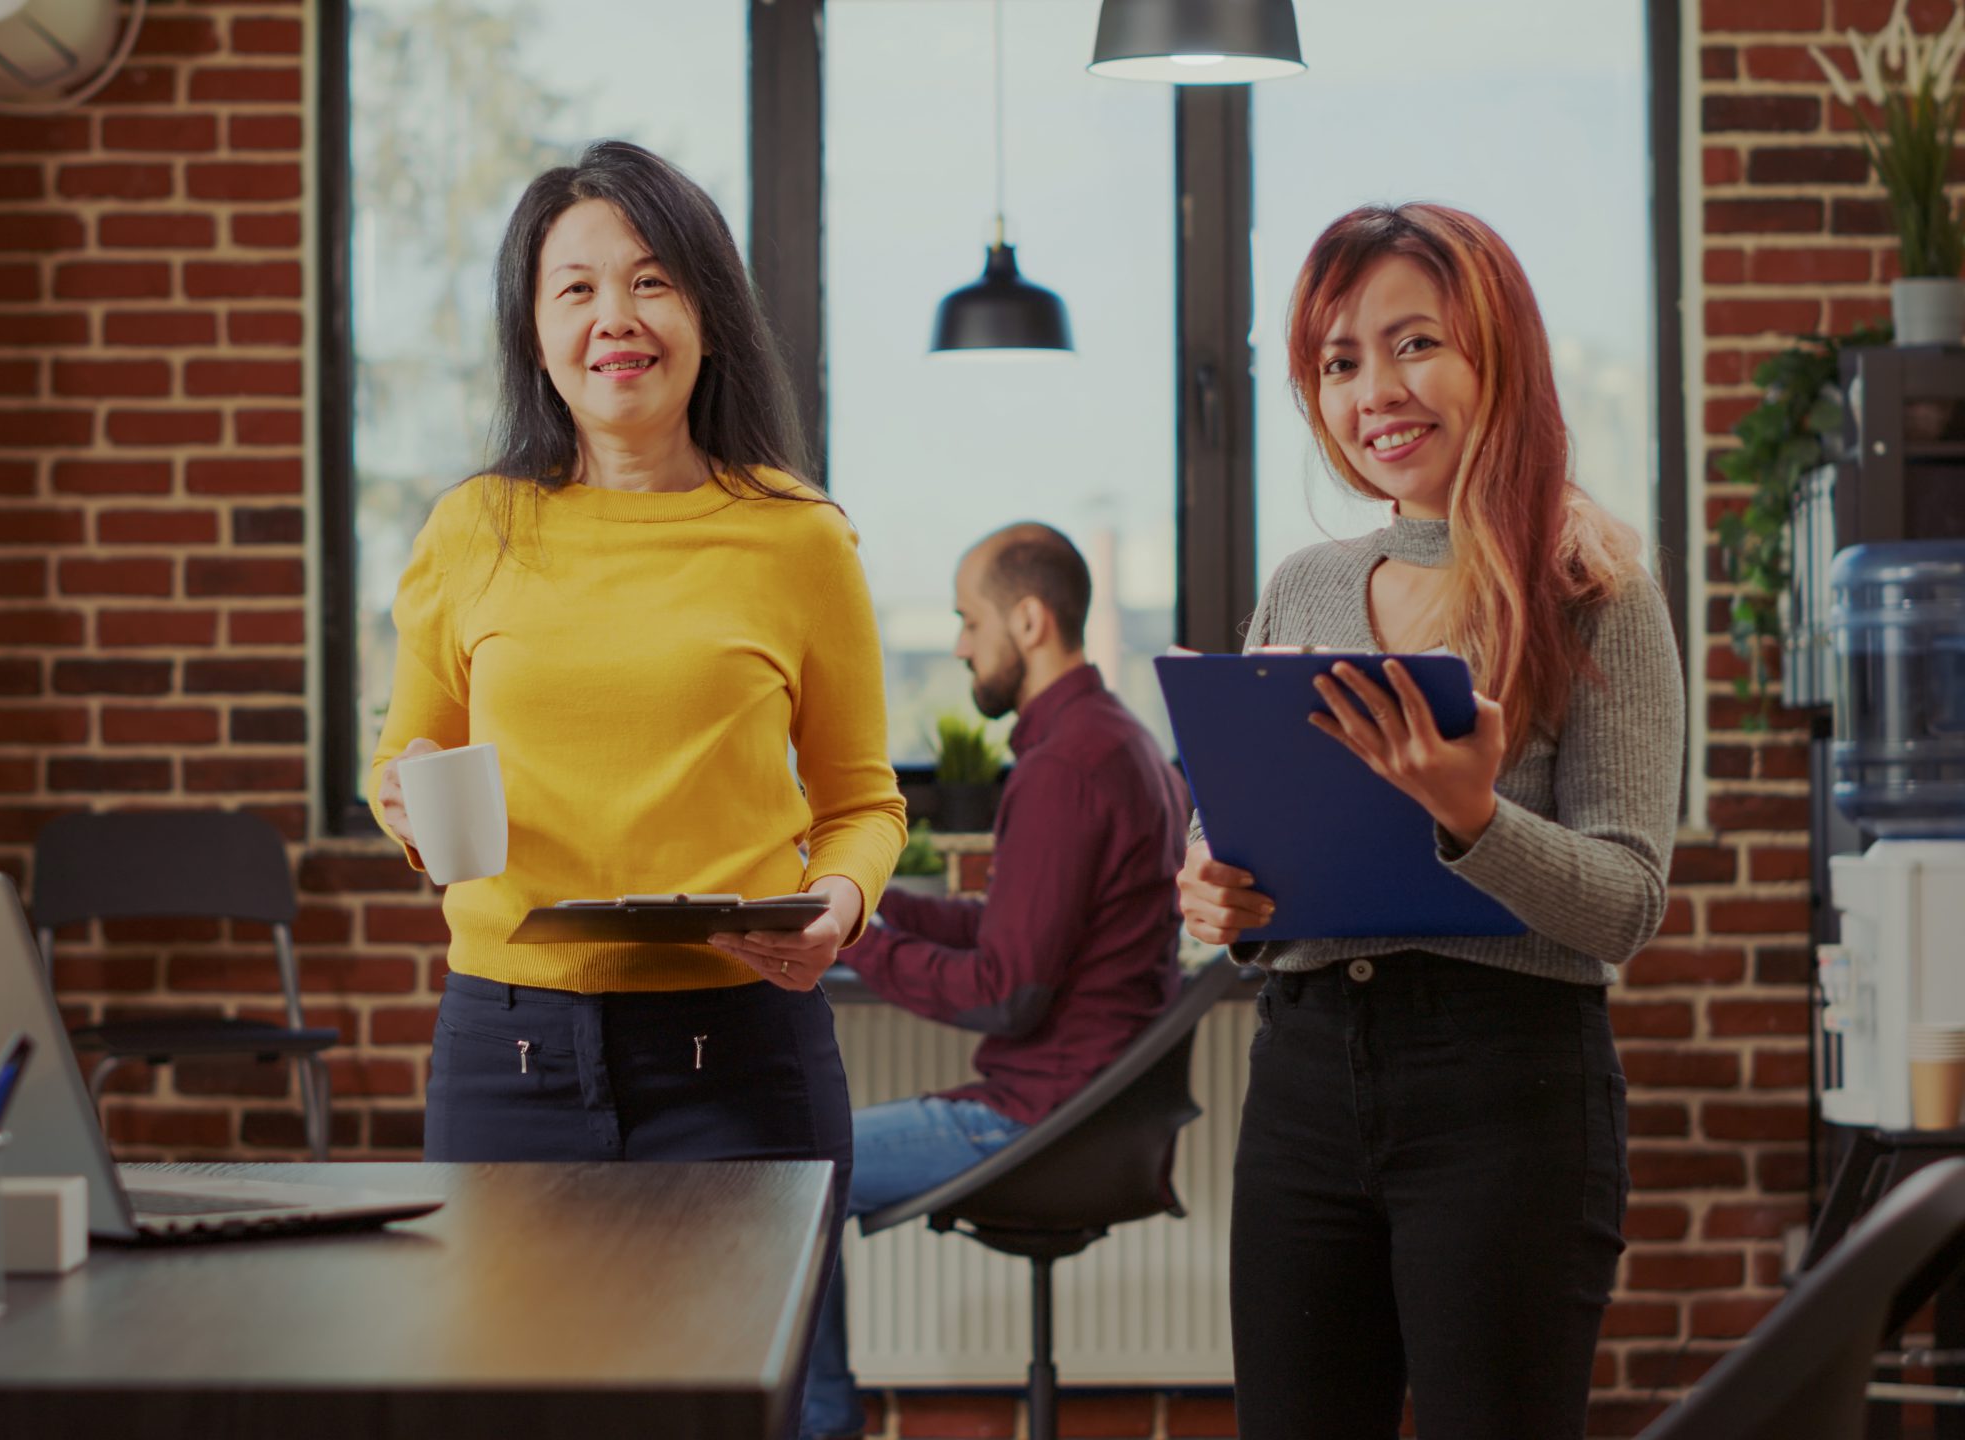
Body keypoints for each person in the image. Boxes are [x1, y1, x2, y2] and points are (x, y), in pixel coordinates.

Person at [367, 136, 907, 1376]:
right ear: (535, 330)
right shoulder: (473, 528)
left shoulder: (798, 537)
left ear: (708, 311)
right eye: (576, 288)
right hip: (505, 1052)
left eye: (652, 280)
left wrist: (838, 902)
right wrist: (402, 798)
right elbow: (409, 752)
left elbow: (861, 801)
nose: (616, 317)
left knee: (740, 1408)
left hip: (739, 1054)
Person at [1174, 203, 1683, 1440]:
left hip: (1505, 1085)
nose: (1375, 392)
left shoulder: (1592, 590)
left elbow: (1624, 906)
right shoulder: (1300, 586)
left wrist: (1471, 817)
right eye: (1339, 363)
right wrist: (1217, 895)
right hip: (1301, 1075)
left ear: (1493, 355)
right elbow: (1228, 841)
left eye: (1413, 345)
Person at [801, 522, 1187, 1440]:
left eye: (968, 622)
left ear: (1028, 620)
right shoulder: (1117, 741)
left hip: (1043, 1117)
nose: (961, 645)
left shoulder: (1067, 765)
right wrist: (874, 914)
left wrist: (849, 947)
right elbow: (1022, 932)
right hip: (1093, 1108)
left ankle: (819, 1427)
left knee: (790, 1172)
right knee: (798, 1163)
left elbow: (1007, 992)